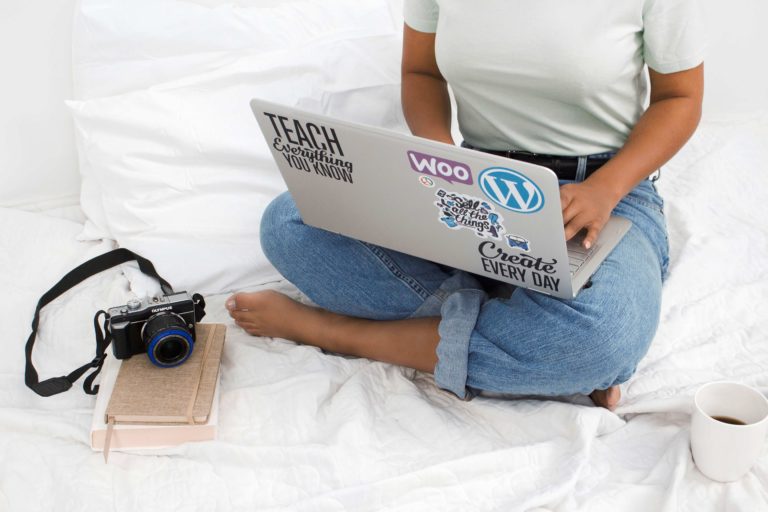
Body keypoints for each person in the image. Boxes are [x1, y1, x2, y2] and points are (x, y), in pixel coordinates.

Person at [227, 0, 705, 410]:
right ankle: (534, 344)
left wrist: (606, 188)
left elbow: (680, 97)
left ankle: (337, 333)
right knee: (291, 221)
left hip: (605, 188)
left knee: (603, 336)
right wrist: (440, 162)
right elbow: (421, 71)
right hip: (474, 183)